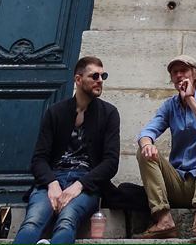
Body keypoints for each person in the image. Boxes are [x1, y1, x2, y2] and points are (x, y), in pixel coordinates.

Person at [13, 56, 120, 245]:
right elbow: (38, 159)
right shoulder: (55, 112)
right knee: (31, 223)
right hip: (52, 180)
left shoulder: (109, 113)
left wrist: (79, 185)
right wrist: (52, 183)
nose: (100, 80)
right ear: (78, 80)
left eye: (103, 75)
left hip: (86, 184)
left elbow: (111, 163)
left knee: (66, 221)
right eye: (95, 76)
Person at [134, 55, 196, 243]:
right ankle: (164, 220)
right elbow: (147, 131)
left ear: (194, 74)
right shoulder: (170, 106)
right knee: (144, 150)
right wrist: (147, 143)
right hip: (178, 185)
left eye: (183, 70)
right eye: (174, 72)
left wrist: (190, 99)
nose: (178, 75)